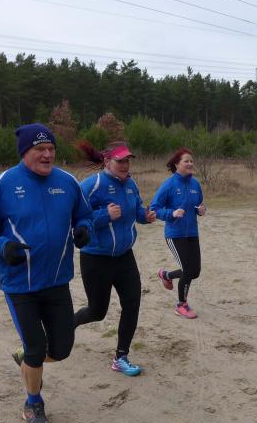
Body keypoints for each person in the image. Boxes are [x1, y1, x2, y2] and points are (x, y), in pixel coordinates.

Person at [0, 123, 93, 423]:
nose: (47, 155)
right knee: (36, 348)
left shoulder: (68, 182)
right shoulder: (2, 184)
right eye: (40, 149)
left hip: (57, 281)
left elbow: (84, 215)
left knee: (61, 349)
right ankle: (33, 402)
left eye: (51, 149)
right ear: (24, 152)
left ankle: (26, 357)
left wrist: (84, 228)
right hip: (20, 285)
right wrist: (1, 247)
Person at [72, 140, 157, 377]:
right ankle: (69, 324)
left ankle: (121, 357)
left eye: (128, 160)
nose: (125, 165)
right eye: (120, 161)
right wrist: (104, 215)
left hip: (124, 257)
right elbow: (75, 218)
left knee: (132, 303)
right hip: (96, 258)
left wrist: (146, 217)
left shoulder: (131, 184)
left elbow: (137, 211)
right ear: (107, 161)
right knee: (97, 311)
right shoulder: (93, 184)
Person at [150, 148, 206, 319]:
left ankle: (166, 275)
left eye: (191, 161)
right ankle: (181, 305)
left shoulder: (195, 184)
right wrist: (172, 213)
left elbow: (199, 205)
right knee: (188, 270)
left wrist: (201, 210)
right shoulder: (169, 184)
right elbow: (154, 209)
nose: (190, 164)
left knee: (195, 271)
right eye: (186, 161)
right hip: (175, 234)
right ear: (176, 164)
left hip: (192, 233)